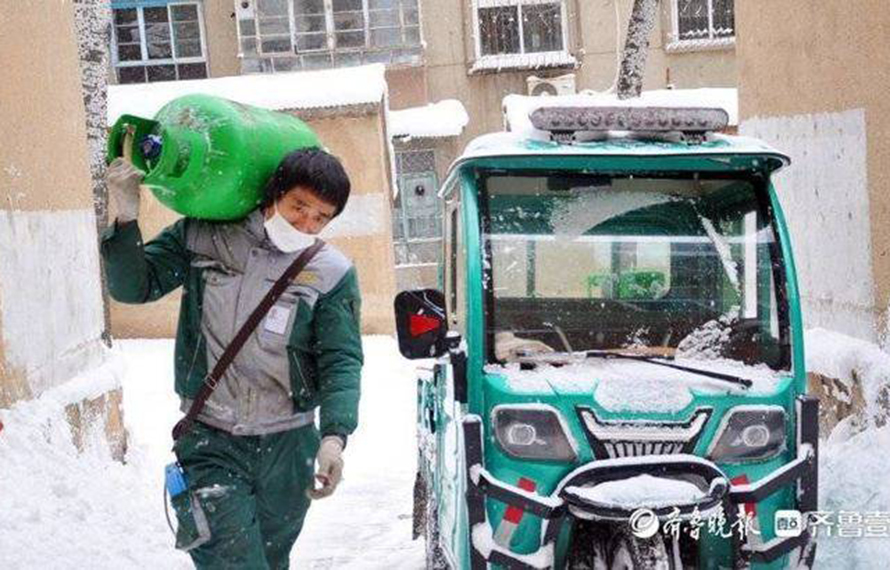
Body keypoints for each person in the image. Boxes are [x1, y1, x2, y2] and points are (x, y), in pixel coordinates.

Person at [101, 148, 363, 569]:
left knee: (271, 561)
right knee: (235, 563)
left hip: (289, 447)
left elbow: (342, 359)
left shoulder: (331, 272)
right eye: (299, 207)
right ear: (275, 193)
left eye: (321, 217)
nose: (307, 224)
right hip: (211, 438)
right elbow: (135, 286)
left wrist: (334, 437)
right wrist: (127, 218)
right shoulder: (205, 237)